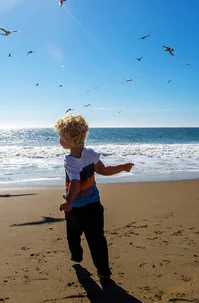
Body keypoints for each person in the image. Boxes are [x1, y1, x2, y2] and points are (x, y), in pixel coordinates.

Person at [54, 114, 134, 279]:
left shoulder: (69, 160)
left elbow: (74, 183)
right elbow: (104, 170)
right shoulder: (90, 154)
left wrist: (68, 201)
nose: (59, 140)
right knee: (97, 239)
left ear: (68, 140)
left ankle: (76, 256)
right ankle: (103, 271)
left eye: (60, 137)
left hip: (75, 208)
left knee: (73, 235)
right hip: (94, 206)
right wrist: (122, 167)